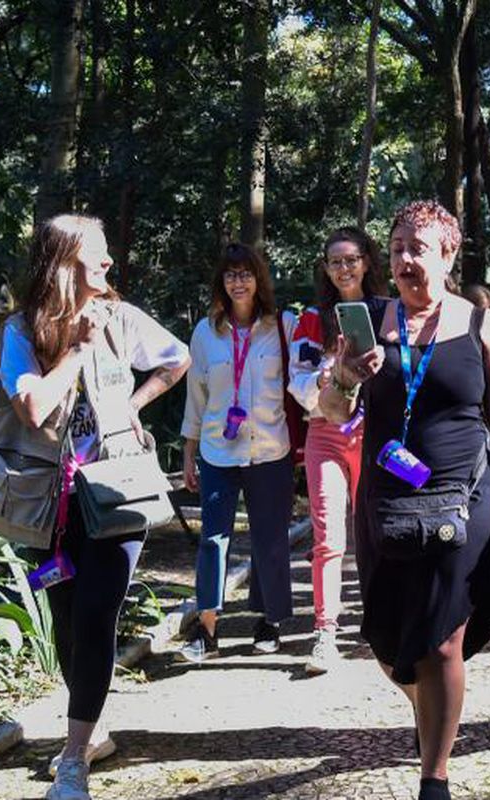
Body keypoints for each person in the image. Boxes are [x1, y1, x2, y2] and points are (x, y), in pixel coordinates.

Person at [320, 200, 490, 800]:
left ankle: (434, 776)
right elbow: (332, 412)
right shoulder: (367, 319)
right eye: (396, 247)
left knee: (444, 635)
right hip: (387, 499)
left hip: (464, 493)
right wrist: (347, 375)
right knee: (388, 642)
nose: (403, 258)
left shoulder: (478, 323)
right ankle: (433, 712)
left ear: (448, 255)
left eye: (417, 247)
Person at [0, 214, 190, 800]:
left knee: (98, 615)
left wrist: (134, 403)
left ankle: (72, 760)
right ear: (62, 264)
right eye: (95, 256)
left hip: (117, 494)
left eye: (107, 255)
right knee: (66, 624)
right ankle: (92, 730)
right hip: (47, 505)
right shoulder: (22, 331)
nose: (108, 264)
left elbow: (175, 358)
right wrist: (76, 350)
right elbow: (32, 407)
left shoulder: (121, 319)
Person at [179, 243, 298, 660]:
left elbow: (301, 383)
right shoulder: (205, 333)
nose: (238, 282)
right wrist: (189, 452)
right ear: (221, 282)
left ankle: (269, 623)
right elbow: (196, 396)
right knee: (213, 539)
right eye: (230, 275)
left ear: (259, 279)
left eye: (245, 273)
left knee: (270, 540)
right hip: (218, 451)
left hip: (270, 449)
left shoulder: (283, 326)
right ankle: (206, 629)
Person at [287, 227, 392, 675]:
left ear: (367, 261)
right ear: (325, 269)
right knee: (328, 538)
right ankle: (325, 632)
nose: (344, 268)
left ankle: (380, 623)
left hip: (374, 433)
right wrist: (331, 377)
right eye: (335, 261)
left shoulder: (388, 311)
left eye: (352, 259)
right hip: (324, 433)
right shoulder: (311, 318)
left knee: (377, 531)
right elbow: (297, 382)